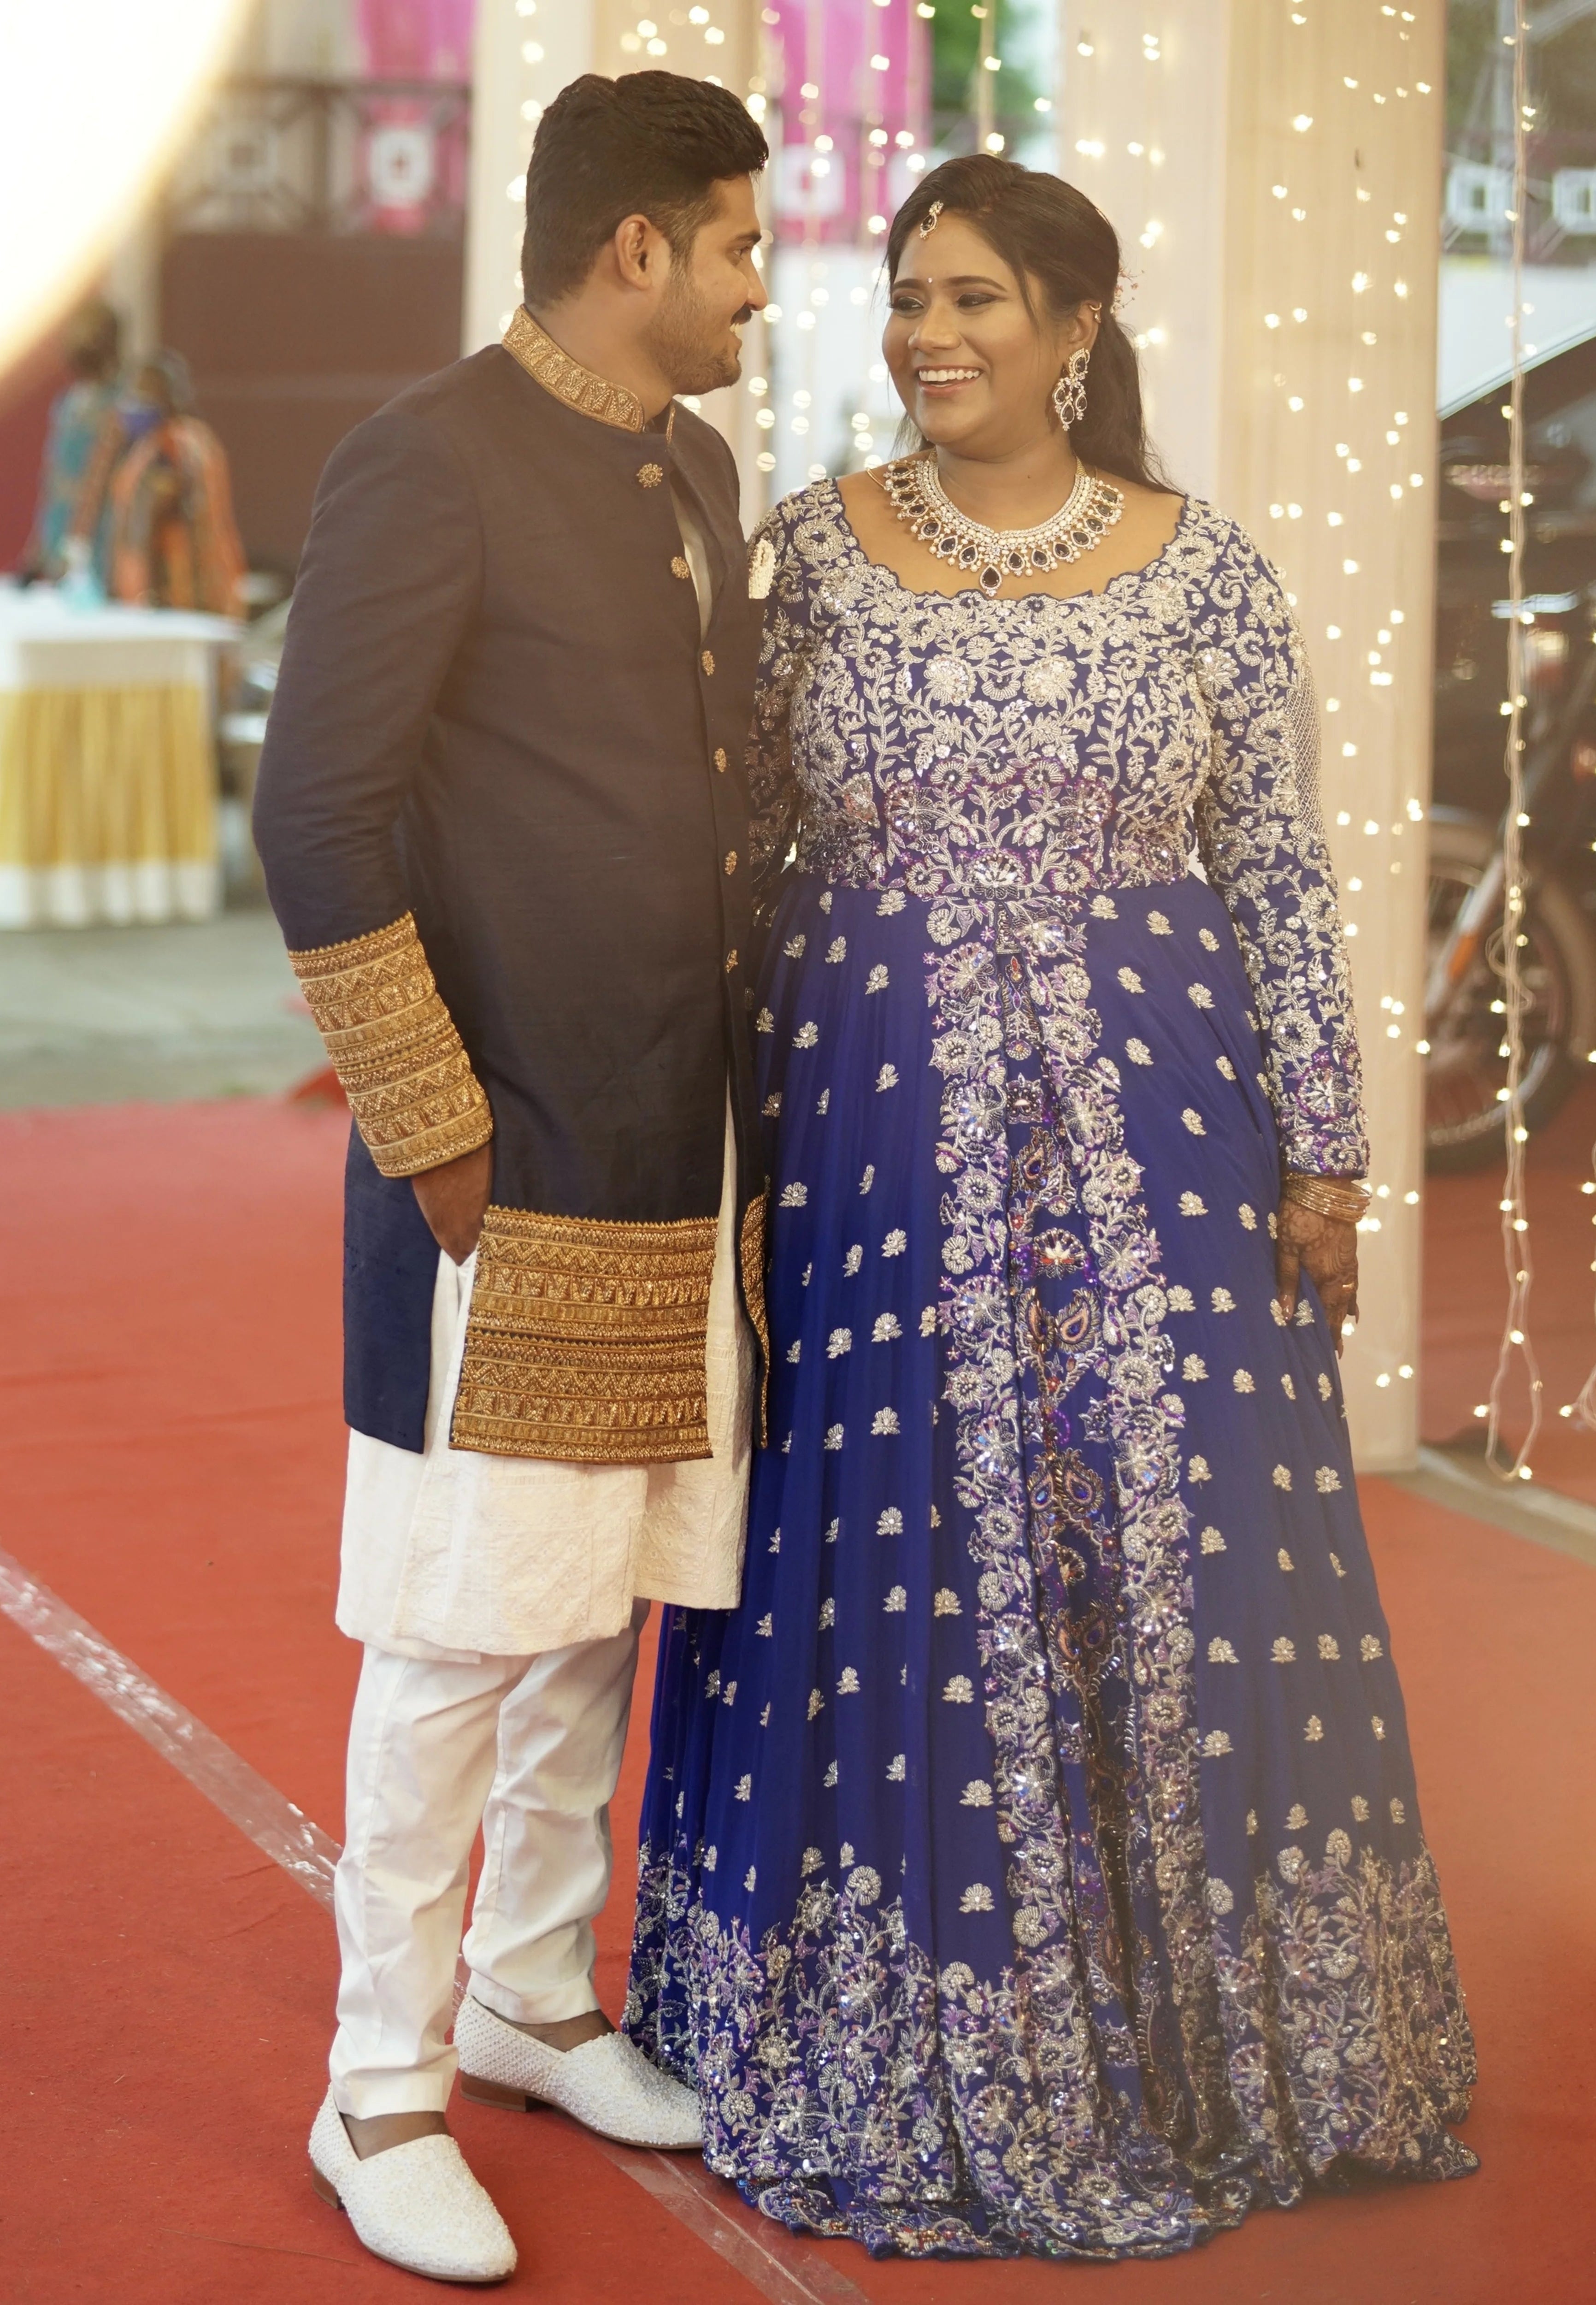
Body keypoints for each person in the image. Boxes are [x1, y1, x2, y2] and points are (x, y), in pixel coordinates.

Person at [627, 153, 1478, 2260]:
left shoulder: (1211, 576)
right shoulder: (807, 560)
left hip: (1168, 1162)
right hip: (869, 1156)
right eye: (911, 296)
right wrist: (717, 1158)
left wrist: (1327, 1150)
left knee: (1162, 1559)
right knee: (896, 1574)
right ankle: (904, 2034)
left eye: (977, 299)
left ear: (1077, 327)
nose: (930, 334)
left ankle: (1205, 2045)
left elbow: (1278, 873)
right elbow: (733, 872)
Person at [252, 72, 771, 2285]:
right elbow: (316, 814)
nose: (763, 283)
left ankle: (532, 1998)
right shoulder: (430, 459)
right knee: (466, 1623)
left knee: (603, 1604)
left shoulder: (697, 469)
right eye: (739, 243)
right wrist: (433, 1129)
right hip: (511, 1156)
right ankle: (378, 2089)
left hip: (677, 1146)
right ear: (634, 248)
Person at [67, 349, 245, 614]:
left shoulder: (171, 447)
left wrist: (142, 596)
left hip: (176, 600)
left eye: (143, 395)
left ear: (168, 398)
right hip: (206, 595)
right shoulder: (192, 439)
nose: (133, 404)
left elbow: (148, 514)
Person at [19, 298, 123, 584]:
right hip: (58, 523)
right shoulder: (67, 403)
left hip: (98, 531)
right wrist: (37, 546)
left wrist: (80, 541)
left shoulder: (117, 402)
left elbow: (100, 478)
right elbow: (52, 477)